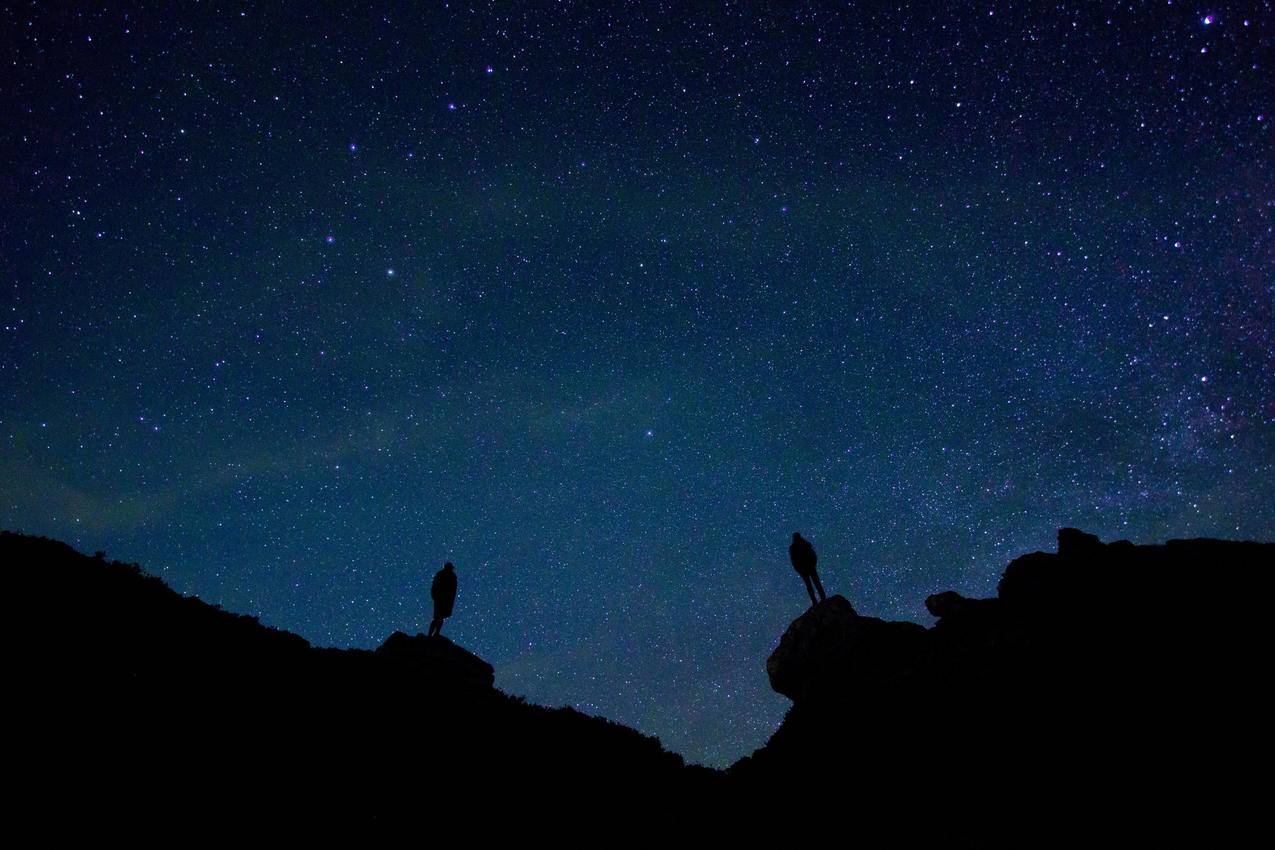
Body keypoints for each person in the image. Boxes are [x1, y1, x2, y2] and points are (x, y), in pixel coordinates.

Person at [789, 532, 826, 607]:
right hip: (807, 568)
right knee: (815, 584)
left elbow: (794, 561)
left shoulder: (796, 547)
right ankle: (821, 599)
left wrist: (799, 569)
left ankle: (817, 601)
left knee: (811, 585)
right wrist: (812, 565)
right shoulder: (804, 545)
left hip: (806, 568)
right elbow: (813, 555)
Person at [428, 562, 458, 637]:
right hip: (443, 599)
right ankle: (434, 634)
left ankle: (433, 634)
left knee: (438, 617)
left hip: (441, 599)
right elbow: (453, 589)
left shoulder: (441, 574)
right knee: (439, 617)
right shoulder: (451, 576)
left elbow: (434, 586)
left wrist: (434, 595)